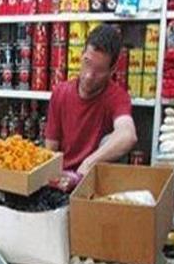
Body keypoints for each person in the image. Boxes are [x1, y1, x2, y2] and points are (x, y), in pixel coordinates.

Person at [45, 24, 138, 175]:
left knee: (109, 140)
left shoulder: (117, 97)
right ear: (81, 55)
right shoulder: (60, 92)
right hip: (62, 177)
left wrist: (88, 163)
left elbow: (128, 135)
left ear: (112, 70)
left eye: (99, 70)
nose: (89, 76)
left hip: (92, 178)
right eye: (87, 63)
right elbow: (50, 151)